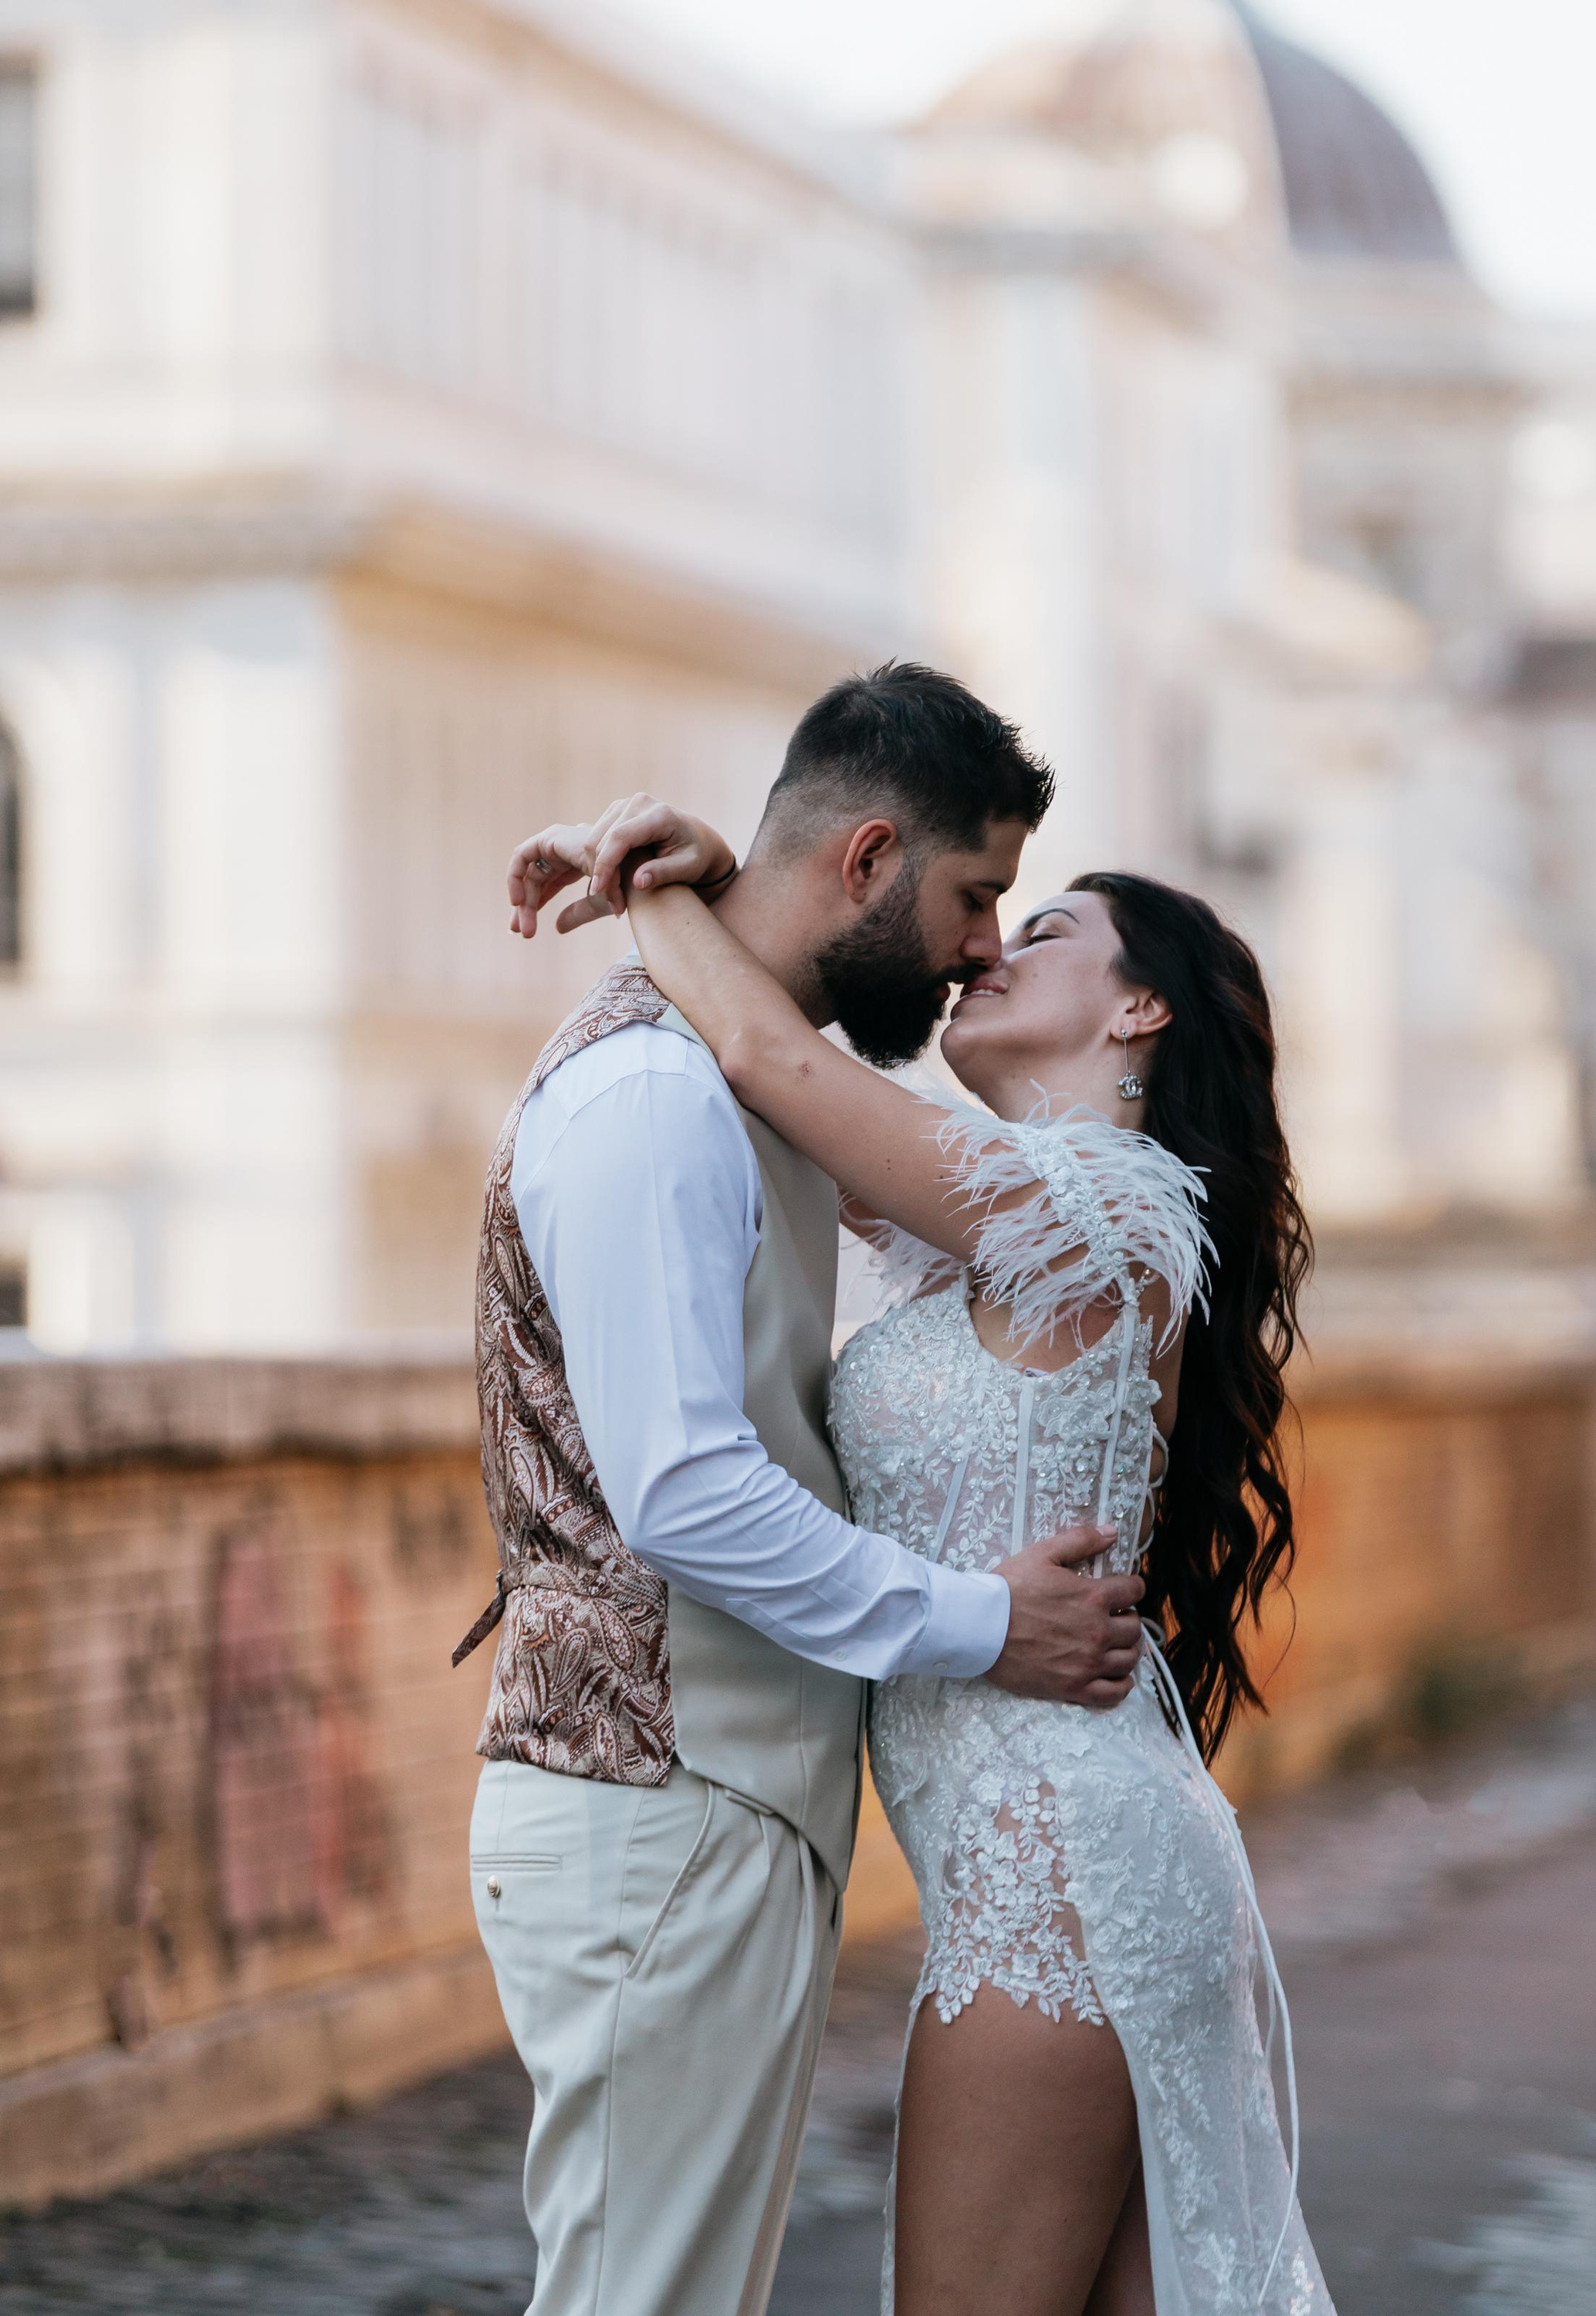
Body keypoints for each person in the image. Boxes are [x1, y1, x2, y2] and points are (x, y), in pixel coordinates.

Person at [517, 773, 1337, 2316]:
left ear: (1141, 1009)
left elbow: (763, 1052)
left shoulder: (1111, 1210)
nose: (983, 959)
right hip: (1062, 1869)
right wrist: (755, 878)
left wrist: (649, 885)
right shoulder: (988, 1231)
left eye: (1042, 930)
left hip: (1052, 1887)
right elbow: (785, 1084)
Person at [463, 665, 1149, 2316]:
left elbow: (796, 1060)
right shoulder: (649, 1099)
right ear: (864, 863)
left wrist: (668, 891)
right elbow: (687, 1492)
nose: (987, 943)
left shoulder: (756, 1083)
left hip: (721, 1810)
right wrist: (982, 1624)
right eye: (976, 895)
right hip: (659, 1806)